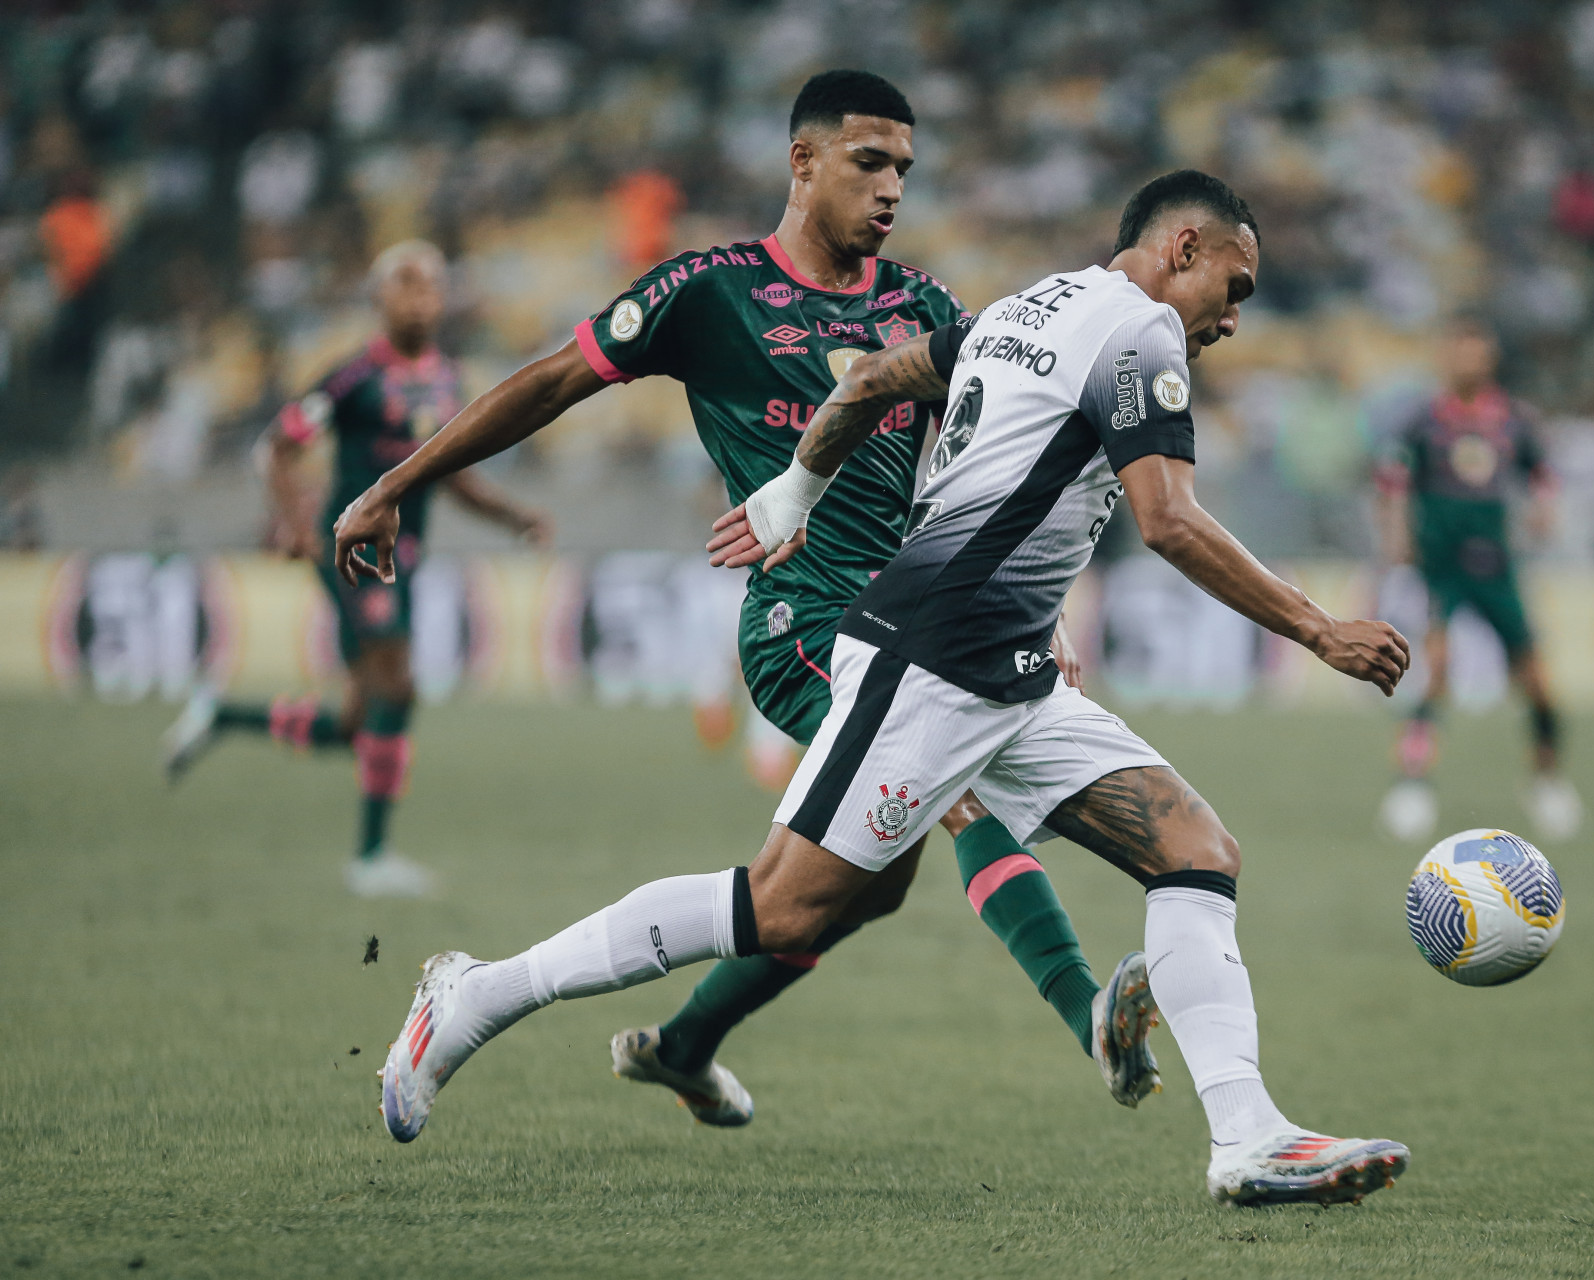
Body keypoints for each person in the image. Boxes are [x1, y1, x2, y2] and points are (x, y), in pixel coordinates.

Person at [347, 170, 1417, 1206]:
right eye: (1233, 286)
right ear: (1183, 247)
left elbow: (865, 382)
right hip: (930, 656)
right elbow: (1169, 519)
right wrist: (1320, 628)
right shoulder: (1138, 331)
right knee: (782, 904)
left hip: (1008, 670)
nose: (1233, 318)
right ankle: (478, 991)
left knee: (1195, 850)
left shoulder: (1023, 308)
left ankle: (1249, 1136)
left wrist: (792, 492)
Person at [325, 71, 1155, 1126]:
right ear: (802, 161)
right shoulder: (708, 290)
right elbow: (547, 383)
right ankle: (1091, 1012)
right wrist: (395, 486)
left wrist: (1033, 617)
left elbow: (992, 476)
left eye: (904, 166)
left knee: (858, 881)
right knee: (960, 793)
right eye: (869, 161)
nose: (892, 186)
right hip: (803, 621)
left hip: (925, 621)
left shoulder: (927, 307)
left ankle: (679, 1042)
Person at [162, 241, 551, 898]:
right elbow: (277, 448)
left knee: (357, 722)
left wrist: (514, 515)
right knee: (397, 689)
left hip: (405, 562)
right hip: (353, 555)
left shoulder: (447, 379)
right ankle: (371, 857)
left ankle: (219, 716)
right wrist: (291, 523)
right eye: (405, 282)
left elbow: (451, 475)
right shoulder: (351, 379)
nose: (421, 294)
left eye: (431, 283)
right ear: (378, 297)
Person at [1373, 314, 1582, 844]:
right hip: (1442, 567)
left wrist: (1543, 511)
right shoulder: (1422, 420)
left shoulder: (1513, 420)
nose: (1466, 358)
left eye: (1476, 348)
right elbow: (1393, 481)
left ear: (1489, 356)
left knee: (1535, 682)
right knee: (1435, 672)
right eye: (1457, 347)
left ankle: (1547, 780)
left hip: (1497, 567)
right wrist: (1396, 535)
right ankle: (1412, 786)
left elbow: (1542, 475)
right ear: (1446, 355)